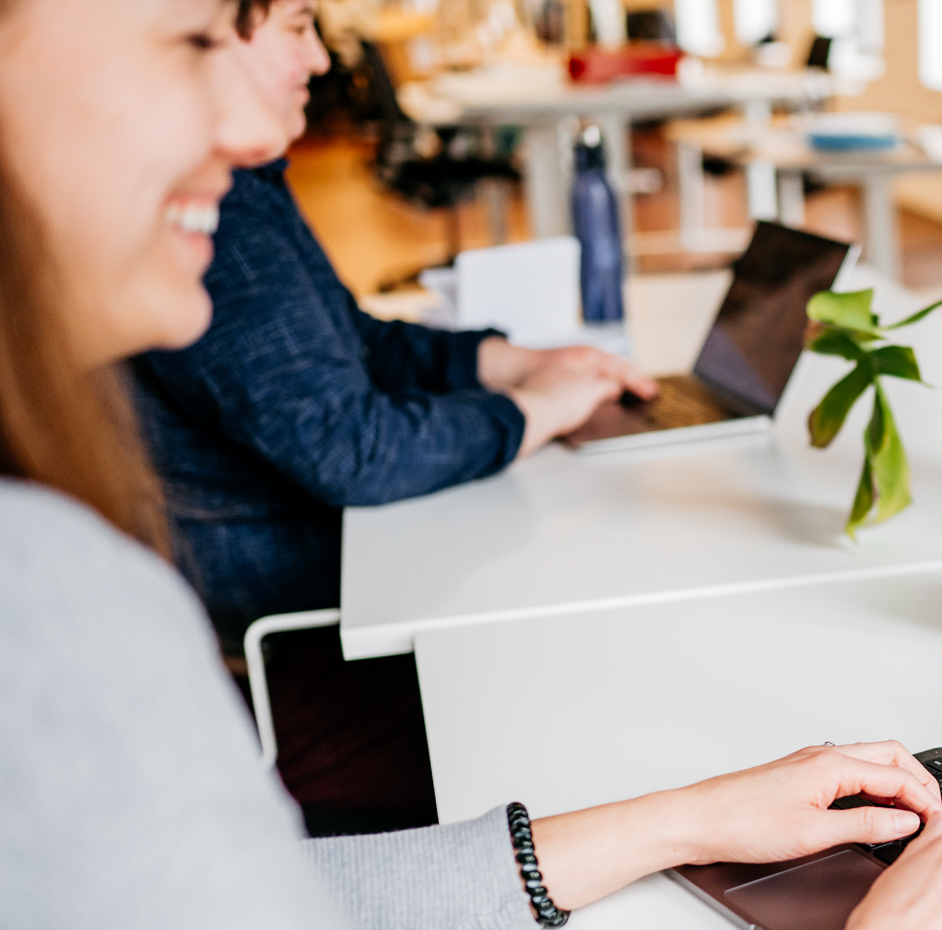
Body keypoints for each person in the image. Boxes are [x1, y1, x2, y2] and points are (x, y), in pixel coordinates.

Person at [0, 2, 942, 930]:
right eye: (193, 42)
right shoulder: (48, 611)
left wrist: (680, 819)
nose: (251, 125)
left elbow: (233, 920)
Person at [127, 0, 654, 831]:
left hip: (310, 587)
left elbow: (348, 342)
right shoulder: (216, 211)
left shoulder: (247, 188)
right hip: (291, 625)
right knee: (598, 652)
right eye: (298, 27)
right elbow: (356, 452)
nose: (322, 60)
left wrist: (502, 362)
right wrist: (530, 411)